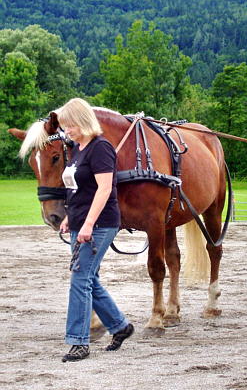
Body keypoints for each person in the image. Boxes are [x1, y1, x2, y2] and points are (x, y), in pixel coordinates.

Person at [58, 98, 134, 362]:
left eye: (70, 126)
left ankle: (79, 342)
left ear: (82, 120)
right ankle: (120, 326)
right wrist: (70, 217)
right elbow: (80, 188)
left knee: (80, 279)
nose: (67, 131)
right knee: (89, 278)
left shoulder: (101, 148)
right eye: (64, 127)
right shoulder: (79, 148)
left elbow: (104, 189)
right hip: (79, 222)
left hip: (99, 224)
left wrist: (88, 223)